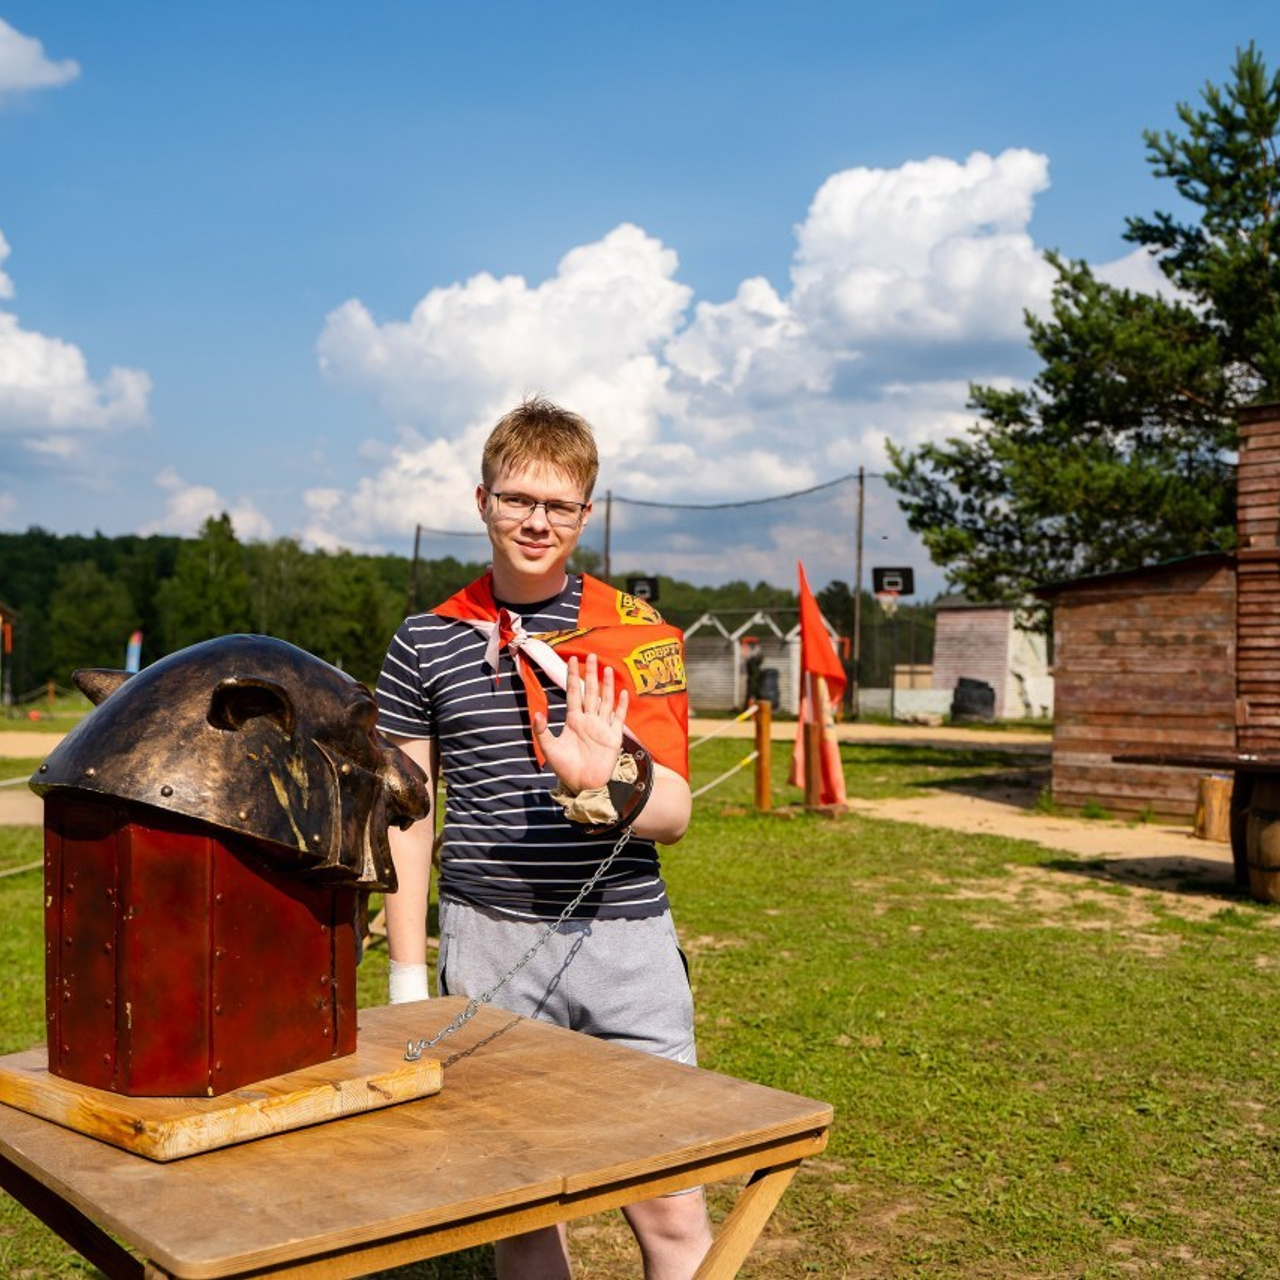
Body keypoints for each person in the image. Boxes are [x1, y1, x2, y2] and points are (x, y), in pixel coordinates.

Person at [375, 397, 713, 1279]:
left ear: (587, 515)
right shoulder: (425, 641)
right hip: (487, 947)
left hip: (626, 944)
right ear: (480, 500)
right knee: (526, 1217)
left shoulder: (639, 636)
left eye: (559, 506)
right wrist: (409, 978)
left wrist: (606, 782)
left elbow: (674, 815)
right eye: (518, 499)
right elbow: (406, 818)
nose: (536, 521)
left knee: (674, 1209)